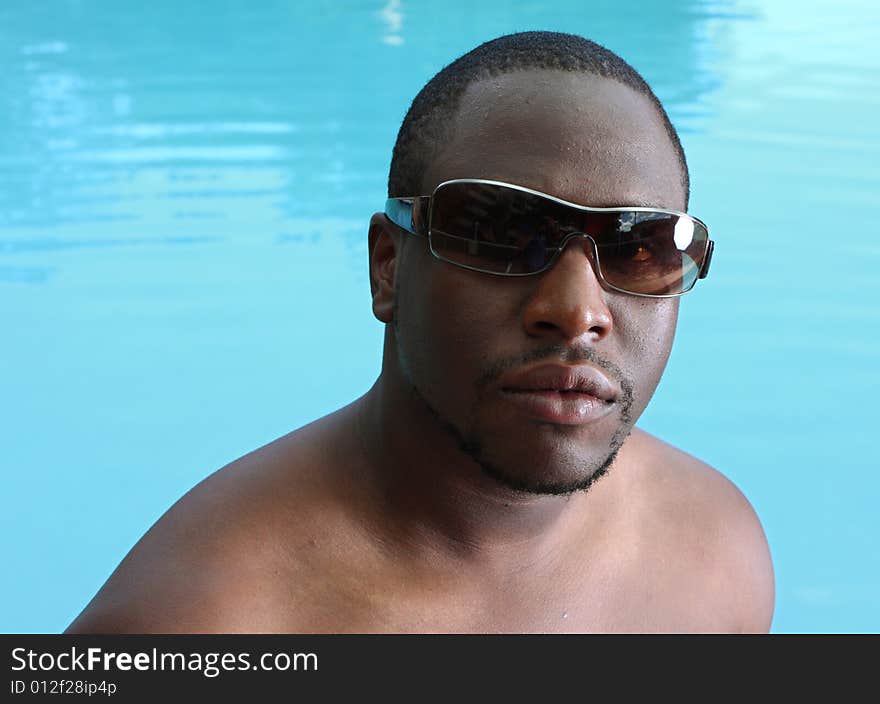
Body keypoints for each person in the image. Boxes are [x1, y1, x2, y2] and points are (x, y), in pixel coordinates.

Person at [67, 31, 774, 633]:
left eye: (638, 247)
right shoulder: (199, 622)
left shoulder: (716, 559)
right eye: (501, 233)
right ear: (387, 268)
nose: (576, 308)